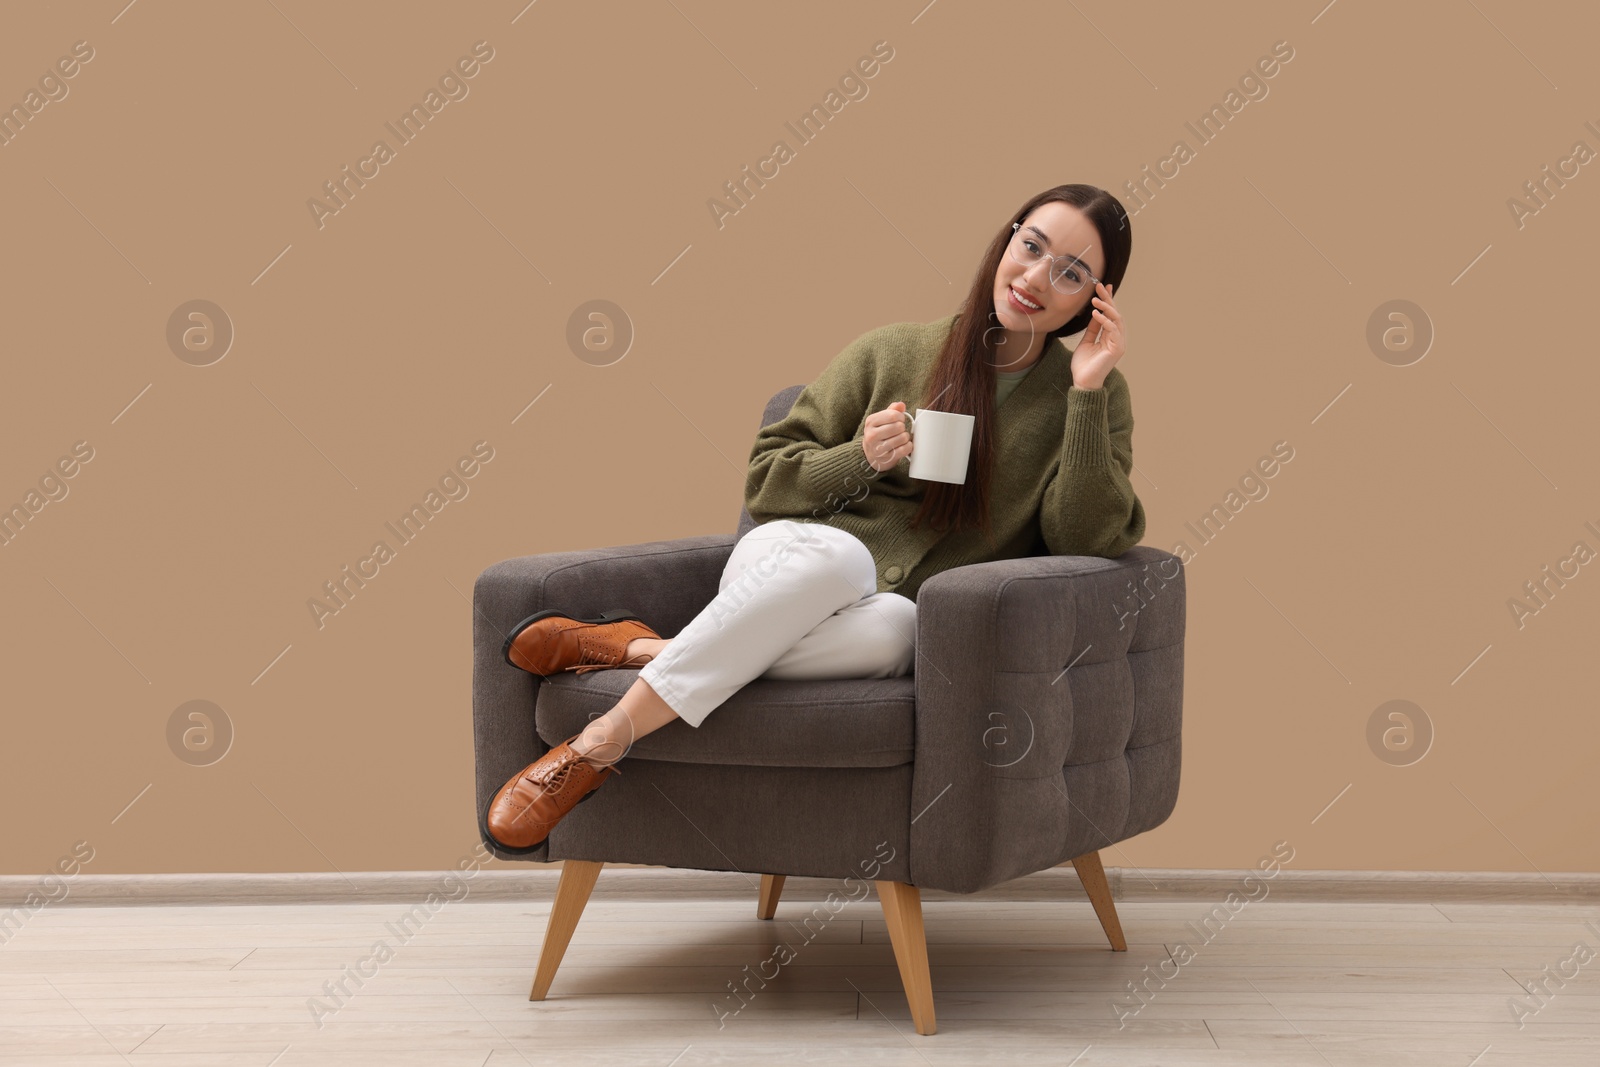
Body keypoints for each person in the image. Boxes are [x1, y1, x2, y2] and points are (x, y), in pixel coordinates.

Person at [484, 183, 1144, 851]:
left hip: (867, 618)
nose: (1035, 277)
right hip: (788, 557)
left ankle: (639, 648)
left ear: (1093, 298)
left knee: (900, 627)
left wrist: (1087, 392)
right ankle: (599, 743)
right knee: (842, 558)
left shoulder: (1088, 397)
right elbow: (767, 484)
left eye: (1070, 272)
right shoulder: (892, 352)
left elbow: (1084, 536)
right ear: (1007, 240)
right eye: (1030, 247)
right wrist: (859, 458)